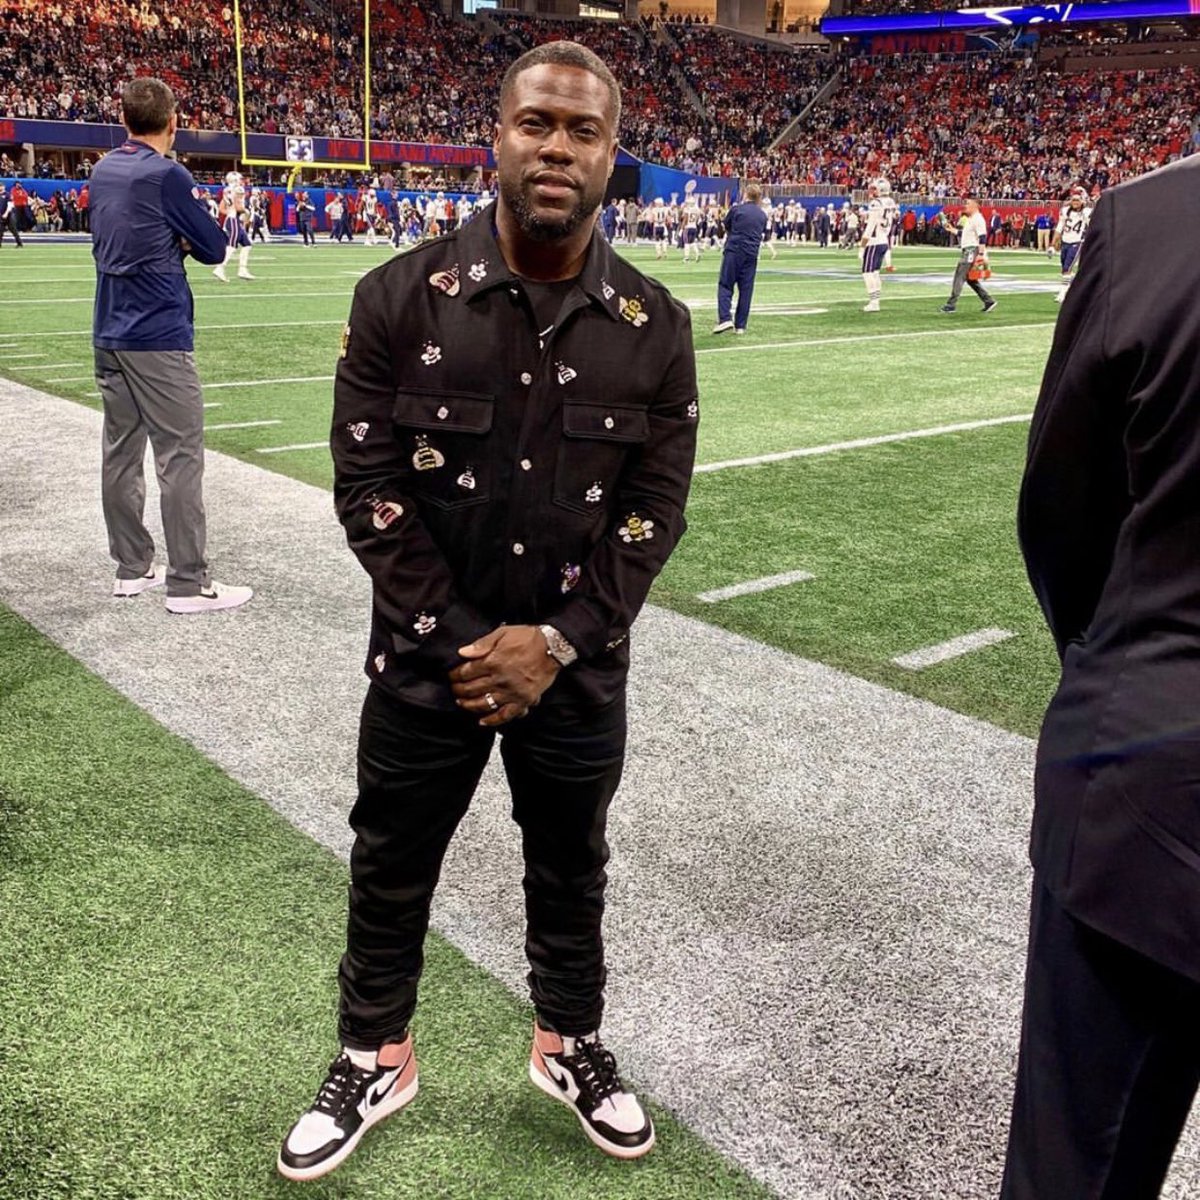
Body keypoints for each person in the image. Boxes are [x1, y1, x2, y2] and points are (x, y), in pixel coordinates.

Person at [278, 39, 698, 1183]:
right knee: (391, 860)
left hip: (577, 665)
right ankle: (375, 1053)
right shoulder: (395, 298)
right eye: (536, 124)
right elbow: (369, 494)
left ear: (613, 155)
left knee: (571, 864)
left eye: (583, 131)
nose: (557, 148)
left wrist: (554, 644)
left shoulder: (656, 326)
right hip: (428, 661)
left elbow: (652, 516)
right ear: (497, 137)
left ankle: (569, 1042)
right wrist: (472, 644)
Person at [1004, 158, 1200, 1198]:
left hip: (1147, 779)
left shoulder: (1154, 218)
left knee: (1077, 1166)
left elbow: (1061, 512)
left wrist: (1115, 663)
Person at [89, 77, 252, 614]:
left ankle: (131, 568)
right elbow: (213, 247)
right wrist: (176, 241)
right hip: (156, 331)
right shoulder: (167, 174)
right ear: (174, 121)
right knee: (179, 456)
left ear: (124, 120)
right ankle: (187, 582)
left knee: (120, 452)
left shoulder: (102, 169)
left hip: (108, 326)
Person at [713, 180, 767, 335]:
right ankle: (741, 325)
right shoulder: (762, 215)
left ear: (746, 194)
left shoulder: (737, 209)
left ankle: (725, 318)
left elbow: (726, 225)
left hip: (735, 250)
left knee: (725, 285)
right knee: (746, 289)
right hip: (752, 253)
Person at [939, 197, 996, 314]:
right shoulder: (971, 219)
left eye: (968, 203)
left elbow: (982, 237)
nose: (965, 205)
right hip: (970, 249)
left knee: (959, 275)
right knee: (970, 278)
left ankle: (951, 304)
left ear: (975, 205)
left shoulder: (978, 219)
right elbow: (965, 234)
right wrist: (952, 230)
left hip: (971, 250)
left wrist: (980, 254)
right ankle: (988, 300)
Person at [860, 177, 896, 313]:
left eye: (875, 189)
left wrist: (862, 246)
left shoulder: (876, 203)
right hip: (884, 240)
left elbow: (870, 227)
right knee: (875, 273)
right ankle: (876, 301)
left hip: (874, 242)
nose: (872, 191)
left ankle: (874, 302)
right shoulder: (890, 201)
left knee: (867, 273)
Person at [1052, 184, 1090, 303]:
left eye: (1077, 200)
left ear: (1082, 201)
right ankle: (1073, 286)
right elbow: (1059, 228)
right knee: (1064, 269)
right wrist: (1052, 245)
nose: (1075, 202)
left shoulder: (1086, 212)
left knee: (1067, 268)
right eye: (1073, 200)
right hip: (1065, 242)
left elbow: (1092, 226)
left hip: (1077, 242)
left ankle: (1062, 294)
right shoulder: (1065, 211)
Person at [0, 184, 23, 249]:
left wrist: (6, 213)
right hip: (1, 215)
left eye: (1, 186)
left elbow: (10, 205)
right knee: (0, 230)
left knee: (13, 229)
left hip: (9, 215)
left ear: (3, 187)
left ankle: (19, 243)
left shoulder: (8, 195)